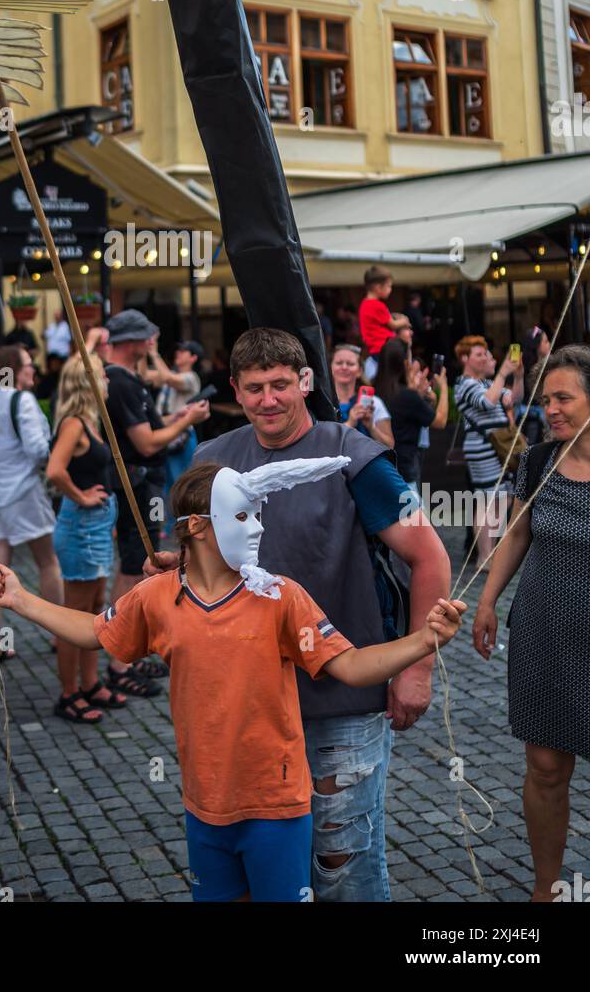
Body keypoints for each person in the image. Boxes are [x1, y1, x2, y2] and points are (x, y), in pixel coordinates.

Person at [0, 458, 464, 903]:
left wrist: (423, 641)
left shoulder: (280, 596)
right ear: (197, 526)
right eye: (242, 516)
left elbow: (351, 665)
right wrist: (21, 599)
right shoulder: (156, 596)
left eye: (257, 514)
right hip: (205, 807)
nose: (257, 527)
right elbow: (96, 632)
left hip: (277, 807)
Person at [151, 327, 451, 901]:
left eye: (282, 385)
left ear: (306, 383)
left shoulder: (354, 457)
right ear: (235, 390)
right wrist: (175, 566)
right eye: (256, 387)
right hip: (247, 705)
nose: (269, 400)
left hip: (341, 696)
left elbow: (429, 555)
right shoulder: (211, 460)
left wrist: (416, 670)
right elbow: (203, 559)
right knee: (277, 874)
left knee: (343, 865)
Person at [473, 345, 590, 901]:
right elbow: (516, 531)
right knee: (545, 767)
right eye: (547, 399)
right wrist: (488, 599)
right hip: (543, 630)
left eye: (564, 397)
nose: (552, 409)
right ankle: (547, 888)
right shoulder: (538, 460)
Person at [103, 309, 210, 698]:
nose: (154, 340)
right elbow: (146, 442)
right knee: (134, 567)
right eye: (148, 335)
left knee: (139, 562)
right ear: (133, 340)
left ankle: (127, 655)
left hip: (143, 483)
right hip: (136, 483)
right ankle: (119, 662)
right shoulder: (121, 381)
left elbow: (148, 425)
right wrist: (188, 420)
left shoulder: (130, 378)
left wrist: (175, 415)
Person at [45, 352, 126, 722]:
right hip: (79, 524)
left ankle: (90, 683)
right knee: (74, 615)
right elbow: (55, 470)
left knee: (95, 610)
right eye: (102, 377)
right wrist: (80, 496)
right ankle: (68, 692)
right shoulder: (74, 424)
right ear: (88, 382)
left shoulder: (91, 421)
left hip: (95, 524)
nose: (108, 382)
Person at [0, 344, 62, 668]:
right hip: (23, 492)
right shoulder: (22, 400)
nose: (33, 369)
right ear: (12, 367)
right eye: (27, 364)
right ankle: (59, 633)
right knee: (47, 562)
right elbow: (38, 451)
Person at [454, 335, 523, 566]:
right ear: (465, 358)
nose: (484, 358)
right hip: (482, 447)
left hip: (498, 446)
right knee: (487, 500)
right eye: (479, 354)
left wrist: (519, 374)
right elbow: (487, 403)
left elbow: (513, 399)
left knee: (502, 496)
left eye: (485, 353)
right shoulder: (464, 384)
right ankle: (484, 557)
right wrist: (503, 373)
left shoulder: (485, 383)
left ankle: (489, 553)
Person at [375, 338, 448, 492]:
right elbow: (440, 421)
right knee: (416, 515)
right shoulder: (407, 396)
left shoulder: (375, 390)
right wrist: (444, 387)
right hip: (404, 472)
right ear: (405, 364)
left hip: (379, 470)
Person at [144, 338, 204, 489]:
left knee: (182, 483)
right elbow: (143, 375)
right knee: (166, 482)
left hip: (182, 438)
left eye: (183, 351)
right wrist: (143, 351)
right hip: (165, 432)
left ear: (193, 358)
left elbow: (167, 378)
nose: (178, 353)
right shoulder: (169, 373)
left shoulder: (192, 378)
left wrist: (154, 353)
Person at [331, 344, 394, 451]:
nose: (344, 367)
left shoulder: (374, 402)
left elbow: (390, 446)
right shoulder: (323, 403)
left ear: (360, 371)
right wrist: (350, 423)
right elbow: (319, 444)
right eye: (339, 363)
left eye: (350, 364)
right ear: (331, 368)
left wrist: (371, 427)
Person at [358, 267, 404, 380]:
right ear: (378, 287)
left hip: (374, 350)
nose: (390, 289)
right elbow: (393, 325)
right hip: (384, 348)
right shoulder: (378, 305)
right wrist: (404, 321)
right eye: (389, 286)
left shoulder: (365, 304)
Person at [516, 326, 552, 446]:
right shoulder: (522, 367)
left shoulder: (551, 364)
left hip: (547, 416)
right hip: (530, 418)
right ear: (536, 346)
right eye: (546, 341)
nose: (549, 344)